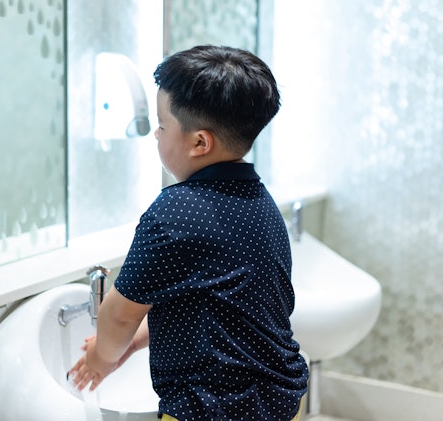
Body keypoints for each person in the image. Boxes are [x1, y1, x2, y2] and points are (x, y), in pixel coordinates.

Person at [69, 45, 309, 421]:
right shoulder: (261, 205)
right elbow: (224, 310)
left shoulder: (174, 213)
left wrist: (101, 358)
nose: (156, 136)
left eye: (162, 126)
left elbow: (117, 316)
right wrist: (137, 341)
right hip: (279, 399)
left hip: (212, 409)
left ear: (199, 142)